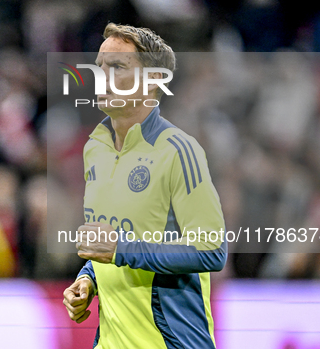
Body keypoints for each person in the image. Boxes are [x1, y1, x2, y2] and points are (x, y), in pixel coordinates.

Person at [63, 23, 227, 348]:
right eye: (99, 67)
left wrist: (121, 250)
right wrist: (88, 278)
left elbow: (212, 250)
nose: (102, 76)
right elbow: (110, 238)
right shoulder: (95, 149)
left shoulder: (179, 150)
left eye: (117, 67)